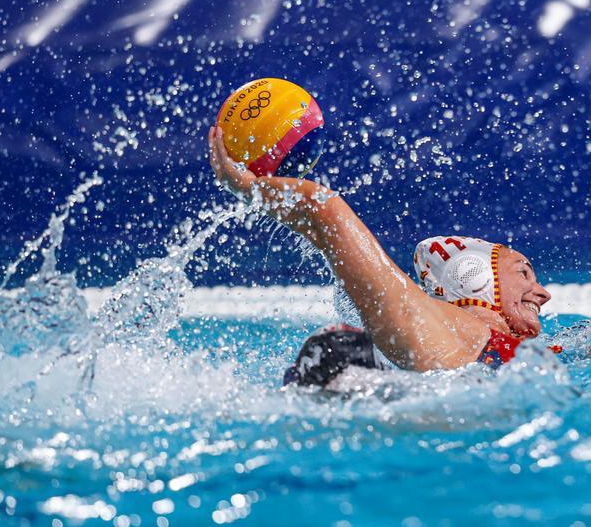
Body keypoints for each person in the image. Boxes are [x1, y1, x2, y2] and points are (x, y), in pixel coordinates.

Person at [208, 126, 551, 371]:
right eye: (523, 272)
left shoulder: (519, 351)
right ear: (475, 277)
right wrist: (249, 188)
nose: (543, 293)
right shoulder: (455, 335)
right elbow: (323, 208)